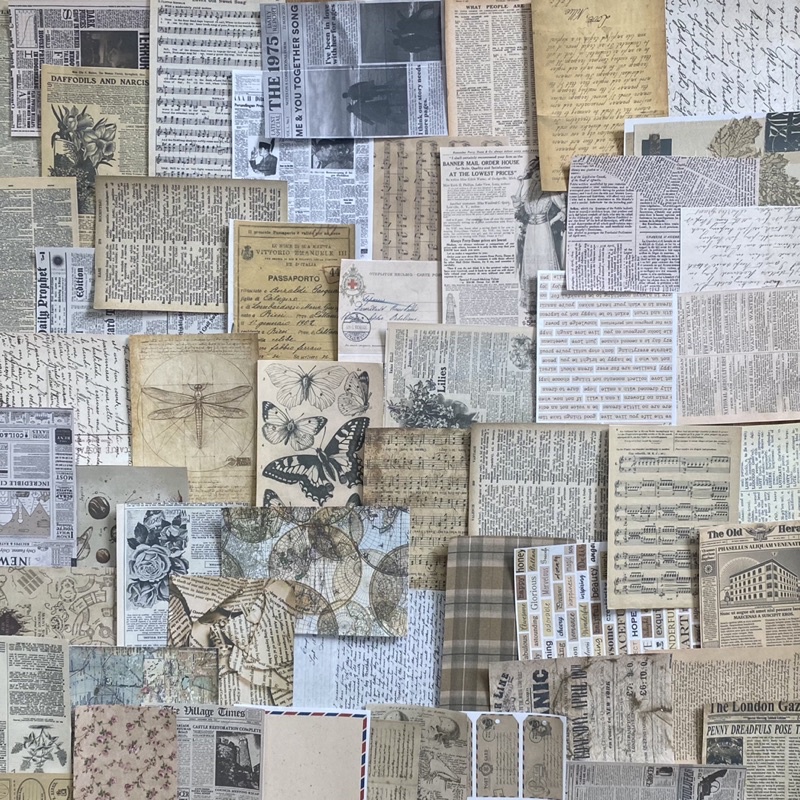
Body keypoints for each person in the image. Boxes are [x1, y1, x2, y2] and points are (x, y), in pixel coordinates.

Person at [511, 158, 565, 315]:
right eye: (533, 172)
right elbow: (516, 204)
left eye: (538, 172)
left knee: (543, 260)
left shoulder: (550, 191)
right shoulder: (529, 191)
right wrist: (520, 184)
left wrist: (551, 221)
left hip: (542, 229)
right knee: (530, 261)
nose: (535, 175)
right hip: (531, 231)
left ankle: (550, 300)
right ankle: (532, 302)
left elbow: (563, 208)